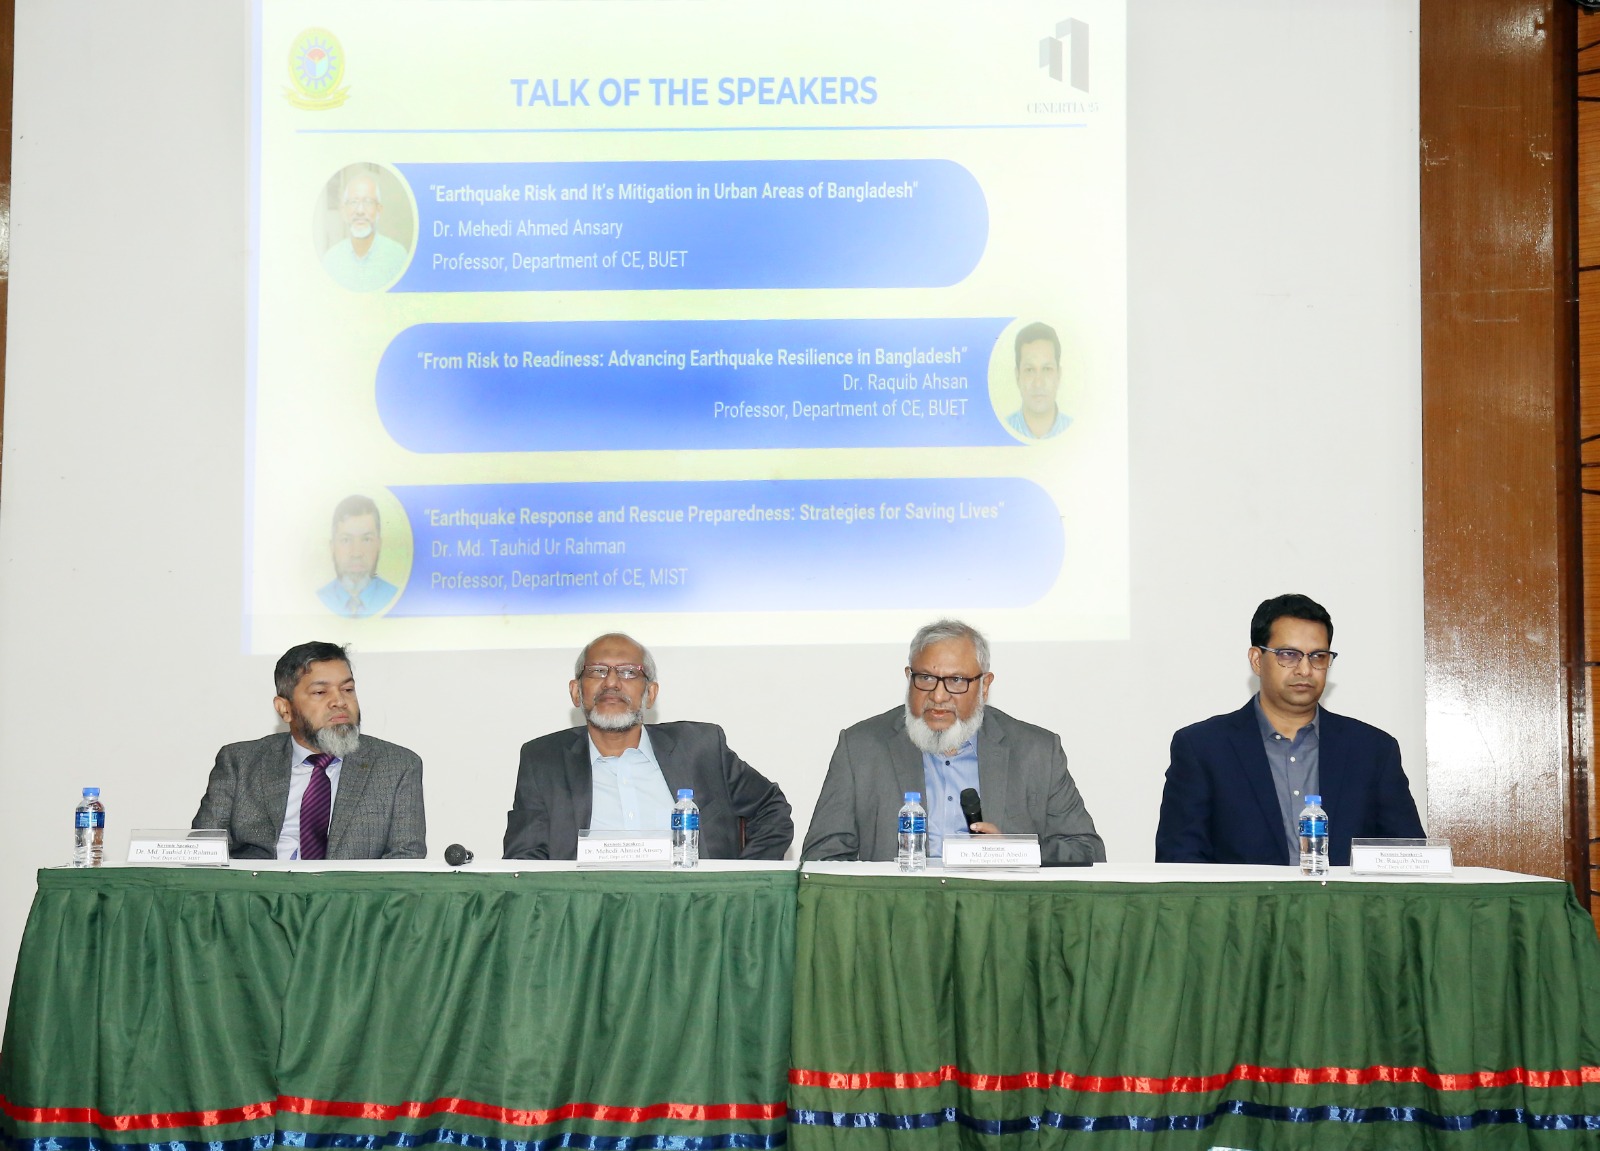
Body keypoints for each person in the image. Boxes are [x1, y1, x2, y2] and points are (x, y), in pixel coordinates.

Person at [1155, 593, 1425, 866]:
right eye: (1289, 655)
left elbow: (1411, 859)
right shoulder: (1203, 748)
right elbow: (1179, 862)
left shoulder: (1372, 751)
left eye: (1318, 656)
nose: (1305, 669)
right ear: (1257, 660)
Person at [803, 619, 1104, 863]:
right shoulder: (861, 748)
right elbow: (821, 856)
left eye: (956, 681)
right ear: (908, 678)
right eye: (925, 678)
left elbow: (1087, 850)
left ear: (984, 685)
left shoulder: (1036, 752)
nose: (938, 696)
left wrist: (1012, 852)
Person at [503, 632, 793, 859]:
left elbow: (771, 808)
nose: (612, 682)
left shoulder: (700, 748)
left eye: (629, 672)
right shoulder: (543, 761)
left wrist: (740, 884)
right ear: (576, 692)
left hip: (693, 908)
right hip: (589, 910)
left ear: (650, 693)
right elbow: (525, 858)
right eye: (597, 671)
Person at [193, 641, 426, 859]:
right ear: (284, 709)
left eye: (347, 689)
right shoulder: (240, 762)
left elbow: (405, 861)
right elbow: (203, 853)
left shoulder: (397, 767)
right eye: (320, 692)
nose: (340, 701)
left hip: (349, 889)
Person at [321, 172, 409, 291]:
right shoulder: (331, 260)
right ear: (344, 211)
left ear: (379, 210)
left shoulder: (398, 257)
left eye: (368, 202)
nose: (360, 211)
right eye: (354, 202)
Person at [317, 494, 399, 617]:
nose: (356, 553)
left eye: (366, 539)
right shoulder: (315, 600)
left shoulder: (396, 598)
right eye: (346, 540)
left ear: (379, 545)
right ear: (332, 547)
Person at [1004, 322, 1072, 440]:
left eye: (1047, 369)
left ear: (1058, 375)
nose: (1038, 383)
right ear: (1017, 376)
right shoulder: (1002, 429)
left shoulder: (1079, 431)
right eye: (1029, 370)